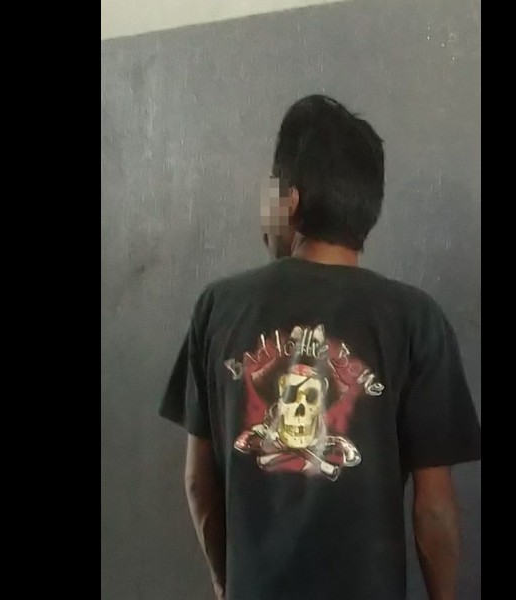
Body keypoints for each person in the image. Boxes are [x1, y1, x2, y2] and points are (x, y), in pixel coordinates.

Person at [159, 94, 481, 600]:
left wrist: (226, 582)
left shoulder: (217, 307)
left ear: (289, 200)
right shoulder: (416, 319)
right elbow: (434, 509)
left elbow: (200, 483)